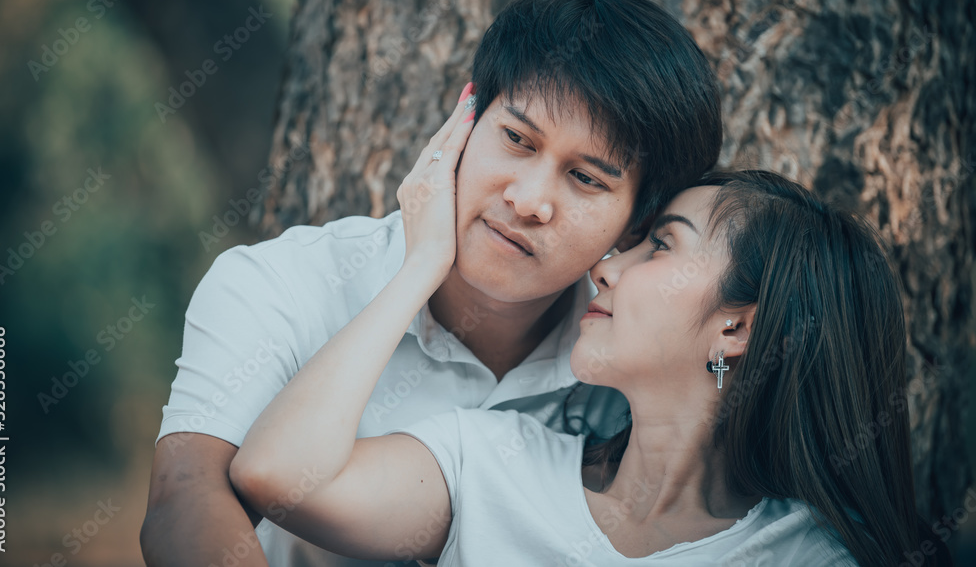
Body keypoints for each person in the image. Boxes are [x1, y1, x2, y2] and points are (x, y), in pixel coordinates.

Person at [140, 0, 724, 566]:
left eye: (587, 179)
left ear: (637, 222)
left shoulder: (627, 354)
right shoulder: (281, 282)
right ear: (464, 122)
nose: (527, 201)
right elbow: (184, 500)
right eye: (517, 140)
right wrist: (418, 271)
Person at [230, 165, 923, 567]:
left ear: (736, 325)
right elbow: (278, 476)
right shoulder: (491, 462)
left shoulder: (807, 557)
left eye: (658, 248)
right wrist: (421, 266)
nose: (605, 266)